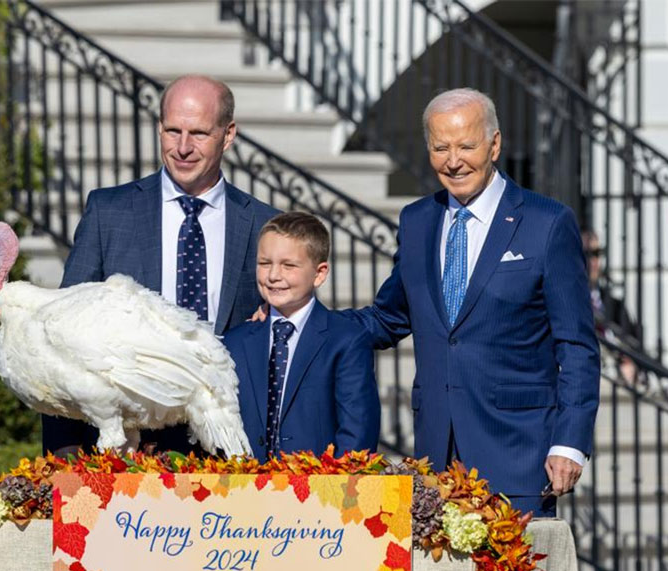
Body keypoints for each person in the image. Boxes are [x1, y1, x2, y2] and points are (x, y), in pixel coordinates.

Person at [343, 88, 600, 516]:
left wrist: (570, 442)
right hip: (437, 458)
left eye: (466, 145)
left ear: (494, 144)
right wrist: (303, 318)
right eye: (440, 147)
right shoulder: (417, 220)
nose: (453, 160)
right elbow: (389, 317)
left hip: (519, 455)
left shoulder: (547, 223)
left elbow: (577, 346)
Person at [42, 74, 278, 457]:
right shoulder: (109, 213)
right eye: (172, 131)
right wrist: (64, 459)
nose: (183, 147)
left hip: (232, 452)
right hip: (127, 454)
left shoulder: (264, 226)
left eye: (199, 133)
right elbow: (61, 337)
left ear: (228, 134)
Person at [224, 212, 381, 463]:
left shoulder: (346, 340)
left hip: (321, 493)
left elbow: (357, 432)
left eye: (289, 265)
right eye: (265, 263)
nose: (274, 275)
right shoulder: (235, 342)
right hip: (245, 492)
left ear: (319, 274)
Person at [581, 229, 642, 384]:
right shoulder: (563, 302)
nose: (592, 261)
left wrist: (629, 363)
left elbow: (635, 346)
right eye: (586, 254)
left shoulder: (615, 305)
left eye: (596, 253)